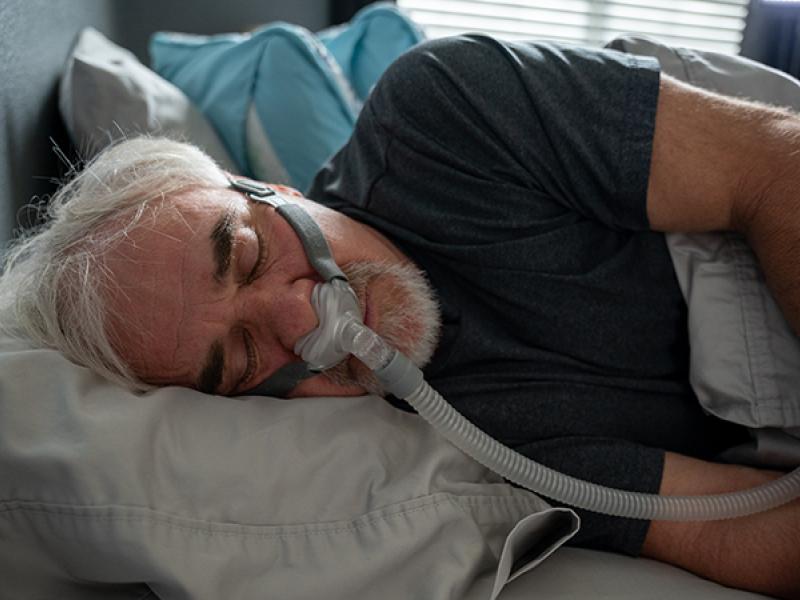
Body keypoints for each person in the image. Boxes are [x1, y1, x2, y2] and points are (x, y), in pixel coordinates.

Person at [1, 35, 799, 598]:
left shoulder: (443, 117)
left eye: (245, 255)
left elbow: (774, 164)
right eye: (242, 359)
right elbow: (733, 531)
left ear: (267, 189)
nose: (301, 315)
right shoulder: (458, 451)